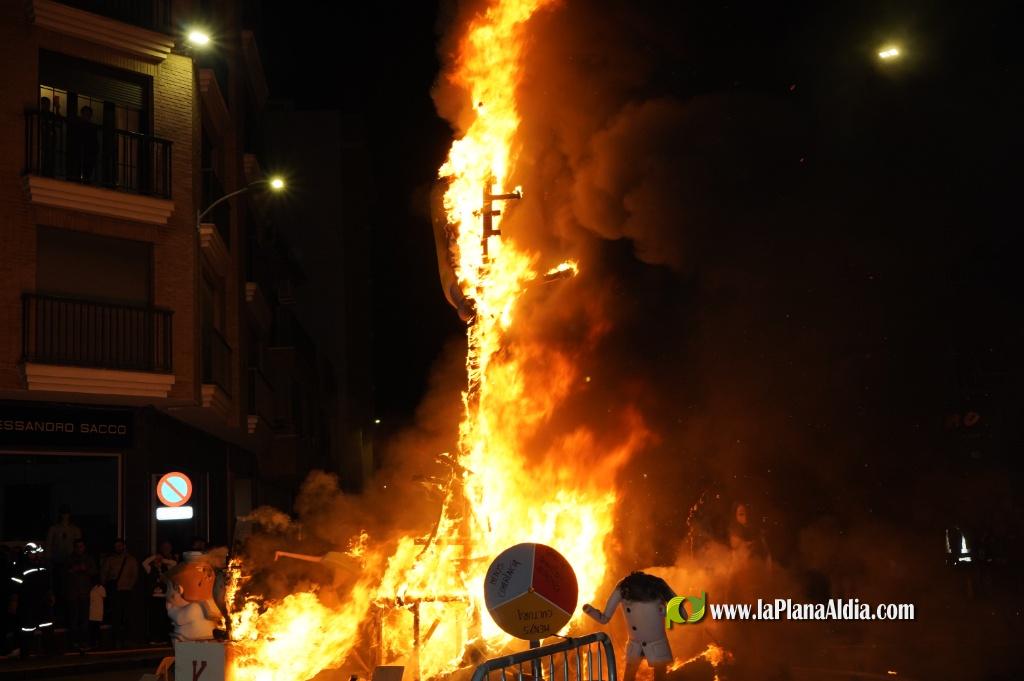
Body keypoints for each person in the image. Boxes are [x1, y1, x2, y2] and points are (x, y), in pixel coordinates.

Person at [583, 572, 677, 681]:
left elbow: (603, 619)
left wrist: (589, 610)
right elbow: (680, 613)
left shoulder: (623, 587)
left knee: (633, 676)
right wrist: (664, 610)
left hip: (645, 644)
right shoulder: (658, 584)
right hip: (645, 644)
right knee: (652, 676)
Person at [11, 543, 54, 658]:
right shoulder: (21, 567)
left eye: (38, 553)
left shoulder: (43, 566)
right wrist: (14, 601)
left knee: (47, 626)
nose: (36, 555)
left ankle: (50, 651)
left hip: (43, 602)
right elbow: (15, 586)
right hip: (28, 602)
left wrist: (50, 595)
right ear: (27, 554)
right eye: (33, 553)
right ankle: (25, 653)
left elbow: (48, 583)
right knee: (27, 628)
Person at [101, 539, 139, 647]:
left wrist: (129, 586)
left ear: (124, 546)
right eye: (116, 546)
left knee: (127, 615)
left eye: (120, 546)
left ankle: (127, 639)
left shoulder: (131, 560)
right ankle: (117, 639)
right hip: (115, 591)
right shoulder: (110, 560)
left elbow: (134, 575)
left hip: (126, 591)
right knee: (116, 616)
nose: (118, 548)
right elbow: (104, 574)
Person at [142, 540, 177, 644]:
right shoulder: (150, 569)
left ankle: (163, 638)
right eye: (156, 561)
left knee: (164, 618)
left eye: (159, 561)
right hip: (153, 597)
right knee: (154, 618)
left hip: (165, 596)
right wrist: (154, 557)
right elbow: (144, 563)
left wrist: (163, 560)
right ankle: (154, 638)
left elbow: (174, 563)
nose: (157, 562)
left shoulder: (167, 568)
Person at [65, 539, 96, 648]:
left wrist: (85, 569)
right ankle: (73, 642)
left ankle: (83, 641)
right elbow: (64, 573)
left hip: (84, 594)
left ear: (84, 547)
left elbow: (94, 571)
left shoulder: (88, 559)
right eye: (77, 546)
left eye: (81, 546)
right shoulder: (69, 559)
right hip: (73, 594)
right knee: (73, 619)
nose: (79, 549)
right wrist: (73, 570)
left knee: (84, 620)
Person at [74, 105, 99, 182]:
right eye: (85, 114)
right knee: (78, 168)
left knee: (87, 170)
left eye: (88, 115)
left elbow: (95, 142)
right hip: (80, 152)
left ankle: (86, 181)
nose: (86, 117)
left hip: (88, 153)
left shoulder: (92, 128)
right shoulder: (78, 125)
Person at [88, 576, 105, 649]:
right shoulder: (92, 588)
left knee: (96, 628)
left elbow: (103, 598)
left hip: (97, 611)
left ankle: (97, 643)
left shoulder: (101, 588)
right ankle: (93, 642)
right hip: (93, 611)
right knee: (93, 628)